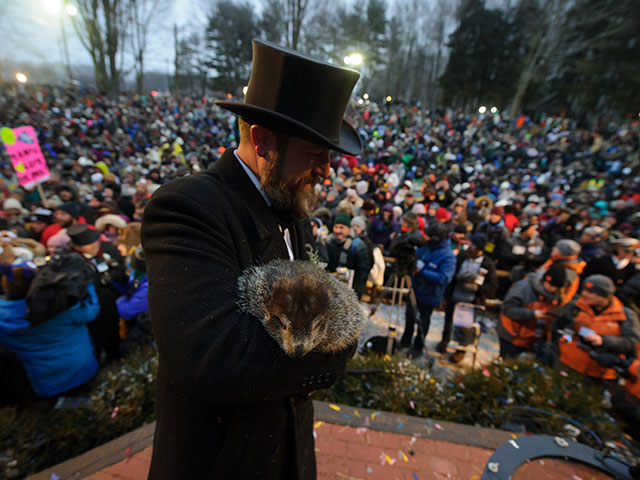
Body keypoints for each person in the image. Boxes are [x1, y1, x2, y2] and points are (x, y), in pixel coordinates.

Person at [141, 40, 361, 479]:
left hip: (289, 456)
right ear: (263, 140)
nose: (326, 171)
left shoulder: (290, 205)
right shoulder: (187, 206)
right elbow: (212, 361)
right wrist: (338, 343)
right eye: (315, 155)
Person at [0, 263, 100, 398]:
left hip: (45, 379)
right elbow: (91, 312)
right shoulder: (58, 306)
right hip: (80, 367)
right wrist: (88, 286)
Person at [554, 275, 640, 381]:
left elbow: (632, 344)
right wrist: (566, 343)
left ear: (604, 297)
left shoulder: (625, 315)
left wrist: (603, 340)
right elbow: (558, 329)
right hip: (567, 363)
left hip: (598, 373)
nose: (584, 294)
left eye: (591, 292)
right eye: (584, 290)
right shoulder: (575, 306)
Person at [67, 224, 127, 363]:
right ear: (77, 248)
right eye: (88, 245)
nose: (94, 246)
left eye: (95, 242)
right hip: (92, 308)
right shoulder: (72, 260)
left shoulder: (108, 248)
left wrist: (112, 274)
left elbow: (122, 271)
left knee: (115, 335)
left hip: (113, 301)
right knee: (97, 338)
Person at [400, 222, 456, 356]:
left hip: (429, 295)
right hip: (414, 290)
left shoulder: (448, 256)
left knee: (422, 323)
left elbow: (444, 278)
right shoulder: (425, 247)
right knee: (409, 318)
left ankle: (418, 347)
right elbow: (416, 256)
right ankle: (405, 341)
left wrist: (422, 272)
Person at [438, 233, 498, 356]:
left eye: (472, 245)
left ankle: (461, 350)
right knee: (448, 322)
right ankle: (445, 341)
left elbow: (493, 287)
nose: (469, 247)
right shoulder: (461, 258)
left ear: (479, 249)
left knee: (465, 328)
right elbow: (451, 276)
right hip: (455, 297)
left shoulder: (487, 264)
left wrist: (477, 288)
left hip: (471, 302)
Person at [497, 264, 567, 359]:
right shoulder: (523, 287)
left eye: (557, 288)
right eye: (551, 285)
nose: (553, 289)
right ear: (545, 280)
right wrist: (532, 314)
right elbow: (508, 309)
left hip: (532, 340)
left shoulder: (556, 296)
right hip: (512, 336)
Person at [325, 212, 371, 298]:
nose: (338, 231)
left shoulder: (358, 245)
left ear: (349, 229)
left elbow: (363, 272)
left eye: (341, 228)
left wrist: (357, 293)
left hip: (350, 290)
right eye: (336, 227)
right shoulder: (329, 242)